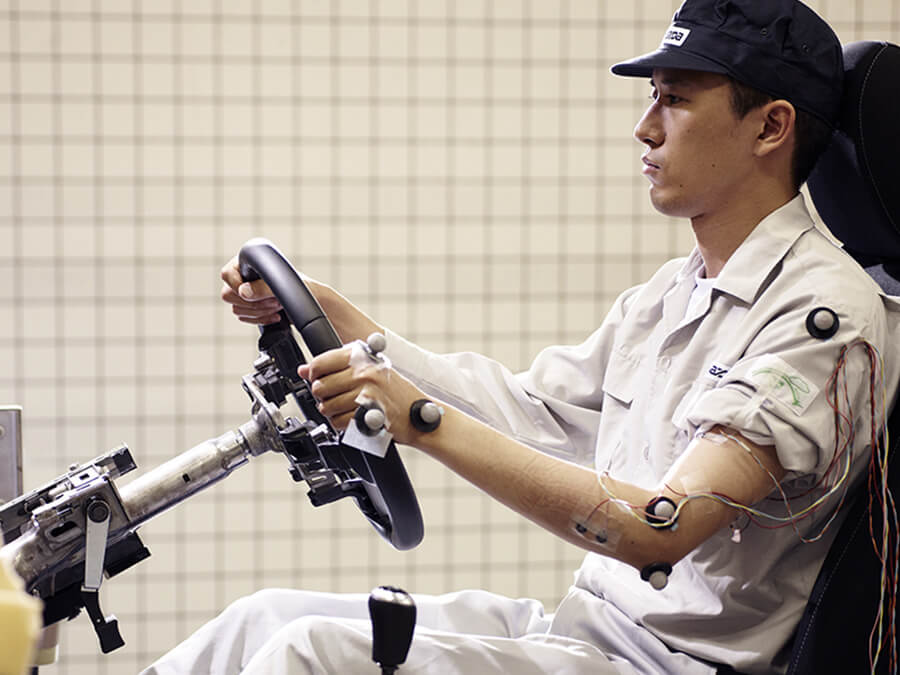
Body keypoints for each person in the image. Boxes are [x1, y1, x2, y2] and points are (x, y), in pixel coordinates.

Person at [144, 1, 900, 673]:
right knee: (259, 620)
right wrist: (338, 317)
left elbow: (659, 529)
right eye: (652, 97)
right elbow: (528, 413)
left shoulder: (824, 316)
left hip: (669, 662)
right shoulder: (671, 293)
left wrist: (421, 421)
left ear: (770, 126)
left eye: (674, 99)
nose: (644, 127)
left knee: (308, 655)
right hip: (588, 628)